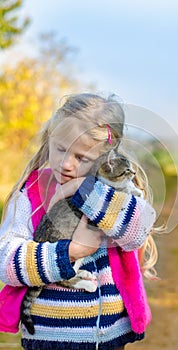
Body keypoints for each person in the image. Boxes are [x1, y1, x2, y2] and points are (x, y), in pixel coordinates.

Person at [0, 93, 157, 350]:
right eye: (60, 149)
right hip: (49, 336)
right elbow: (6, 261)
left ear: (106, 159)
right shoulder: (31, 194)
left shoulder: (117, 193)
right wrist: (70, 252)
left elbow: (138, 230)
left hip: (110, 335)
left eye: (82, 158)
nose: (66, 163)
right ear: (50, 138)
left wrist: (85, 192)